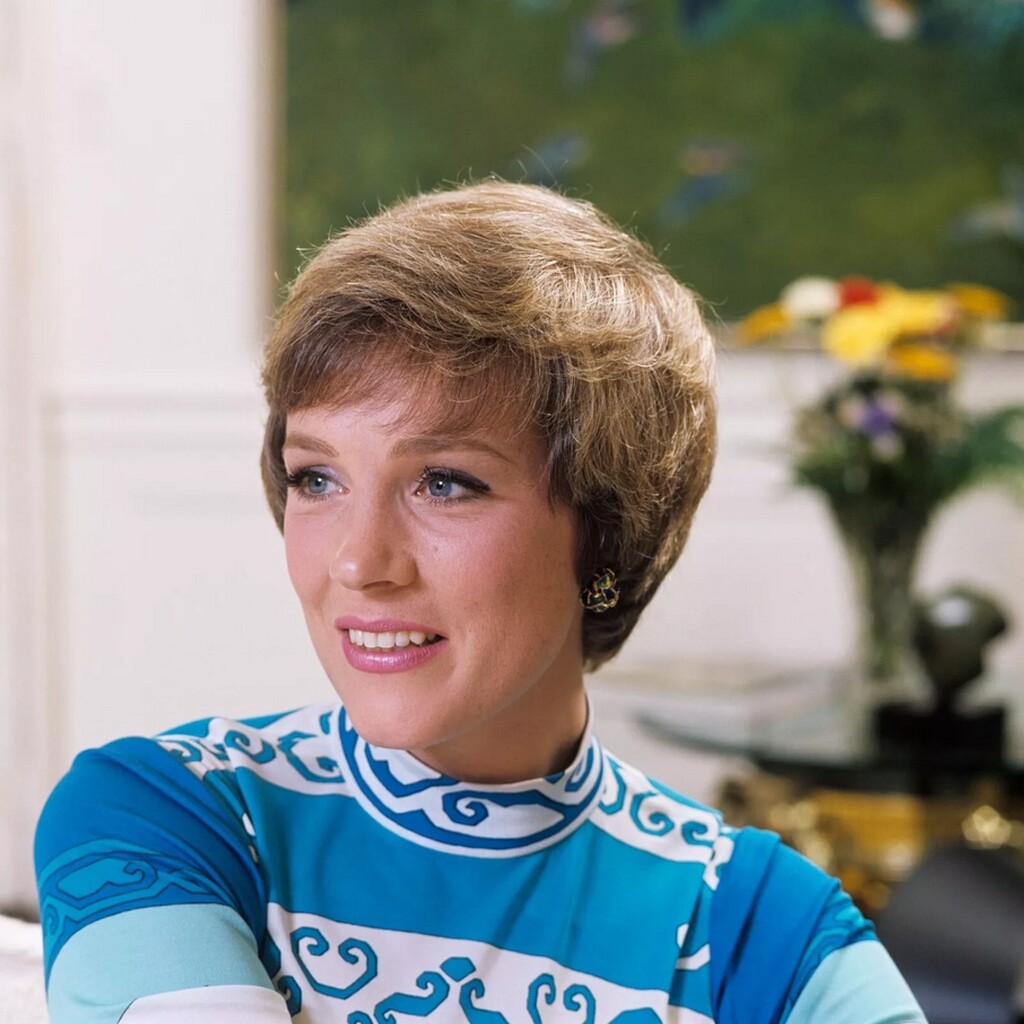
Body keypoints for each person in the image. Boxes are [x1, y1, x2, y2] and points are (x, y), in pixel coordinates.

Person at [34, 181, 927, 1023]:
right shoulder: (165, 817)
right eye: (317, 477)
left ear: (604, 535)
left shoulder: (766, 930)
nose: (358, 562)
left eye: (445, 483)